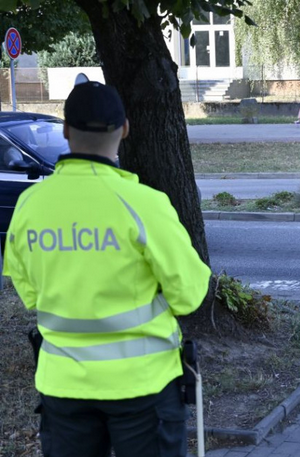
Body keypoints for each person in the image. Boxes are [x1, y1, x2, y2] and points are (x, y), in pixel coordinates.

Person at [2, 81, 211, 457]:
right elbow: (190, 294)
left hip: (63, 387)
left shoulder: (29, 205)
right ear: (125, 129)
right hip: (144, 387)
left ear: (66, 130)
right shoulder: (145, 204)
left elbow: (29, 290)